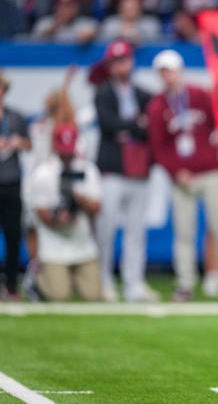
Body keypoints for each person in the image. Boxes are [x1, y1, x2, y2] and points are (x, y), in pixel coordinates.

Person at [147, 49, 218, 301]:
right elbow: (158, 146)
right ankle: (185, 282)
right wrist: (175, 170)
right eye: (163, 72)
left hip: (211, 172)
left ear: (179, 71)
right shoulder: (157, 106)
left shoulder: (199, 95)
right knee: (184, 232)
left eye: (171, 70)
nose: (168, 76)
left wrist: (217, 148)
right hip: (182, 177)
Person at [92, 40, 157, 302]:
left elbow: (150, 126)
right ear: (110, 65)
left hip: (138, 170)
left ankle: (134, 283)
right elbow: (108, 125)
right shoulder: (103, 92)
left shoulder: (143, 94)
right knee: (105, 229)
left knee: (136, 230)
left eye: (125, 60)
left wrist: (127, 128)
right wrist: (134, 125)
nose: (122, 66)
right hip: (112, 170)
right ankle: (104, 281)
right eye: (117, 62)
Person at [29, 124, 103, 301]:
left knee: (93, 295)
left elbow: (96, 208)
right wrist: (57, 219)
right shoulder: (43, 173)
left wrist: (79, 200)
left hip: (82, 244)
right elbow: (41, 213)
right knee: (58, 295)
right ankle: (37, 281)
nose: (67, 155)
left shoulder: (87, 170)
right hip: (54, 245)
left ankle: (73, 279)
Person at [0, 72, 31, 300]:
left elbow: (30, 144)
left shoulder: (15, 117)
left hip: (11, 182)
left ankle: (11, 285)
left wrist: (19, 142)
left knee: (12, 236)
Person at [32, 0, 98, 43]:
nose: (66, 8)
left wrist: (89, 36)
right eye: (62, 5)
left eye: (70, 5)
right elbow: (35, 42)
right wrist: (56, 26)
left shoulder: (87, 23)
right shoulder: (44, 23)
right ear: (56, 6)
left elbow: (95, 32)